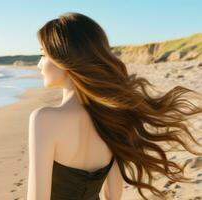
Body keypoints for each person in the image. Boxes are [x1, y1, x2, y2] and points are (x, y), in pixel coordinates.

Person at [26, 12, 202, 200]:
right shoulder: (114, 117)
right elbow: (113, 194)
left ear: (65, 58)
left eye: (43, 54)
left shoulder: (44, 119)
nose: (39, 64)